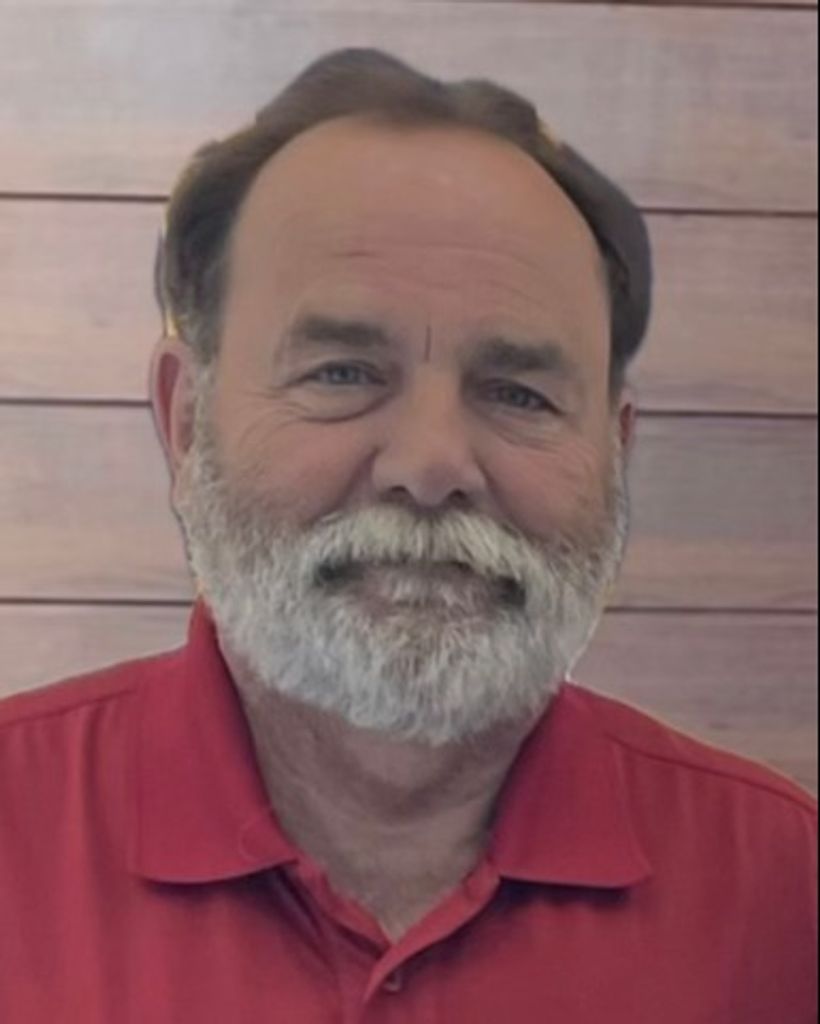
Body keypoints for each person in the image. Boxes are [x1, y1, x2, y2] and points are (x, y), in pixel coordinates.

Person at [0, 48, 815, 1023]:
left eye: (518, 393)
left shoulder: (783, 892)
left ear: (614, 454)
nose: (430, 465)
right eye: (343, 373)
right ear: (185, 423)